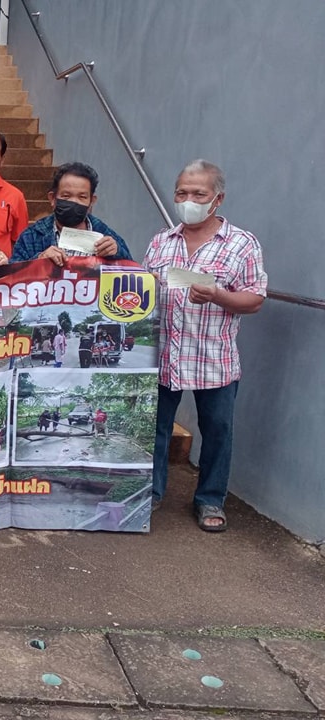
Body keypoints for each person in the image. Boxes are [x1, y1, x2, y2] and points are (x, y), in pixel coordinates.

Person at [144, 160, 266, 532]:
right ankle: (151, 491)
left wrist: (218, 296)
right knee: (156, 429)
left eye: (198, 194)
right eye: (182, 193)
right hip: (164, 355)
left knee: (217, 431)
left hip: (213, 358)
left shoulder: (241, 244)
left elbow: (255, 299)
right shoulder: (161, 242)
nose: (188, 200)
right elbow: (144, 292)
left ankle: (211, 499)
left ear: (217, 199)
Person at [10, 162, 132, 265]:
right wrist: (38, 262)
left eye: (82, 197)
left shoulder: (105, 235)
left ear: (91, 202)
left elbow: (132, 274)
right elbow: (11, 278)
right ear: (53, 198)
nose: (74, 202)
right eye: (66, 196)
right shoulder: (31, 237)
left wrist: (117, 252)